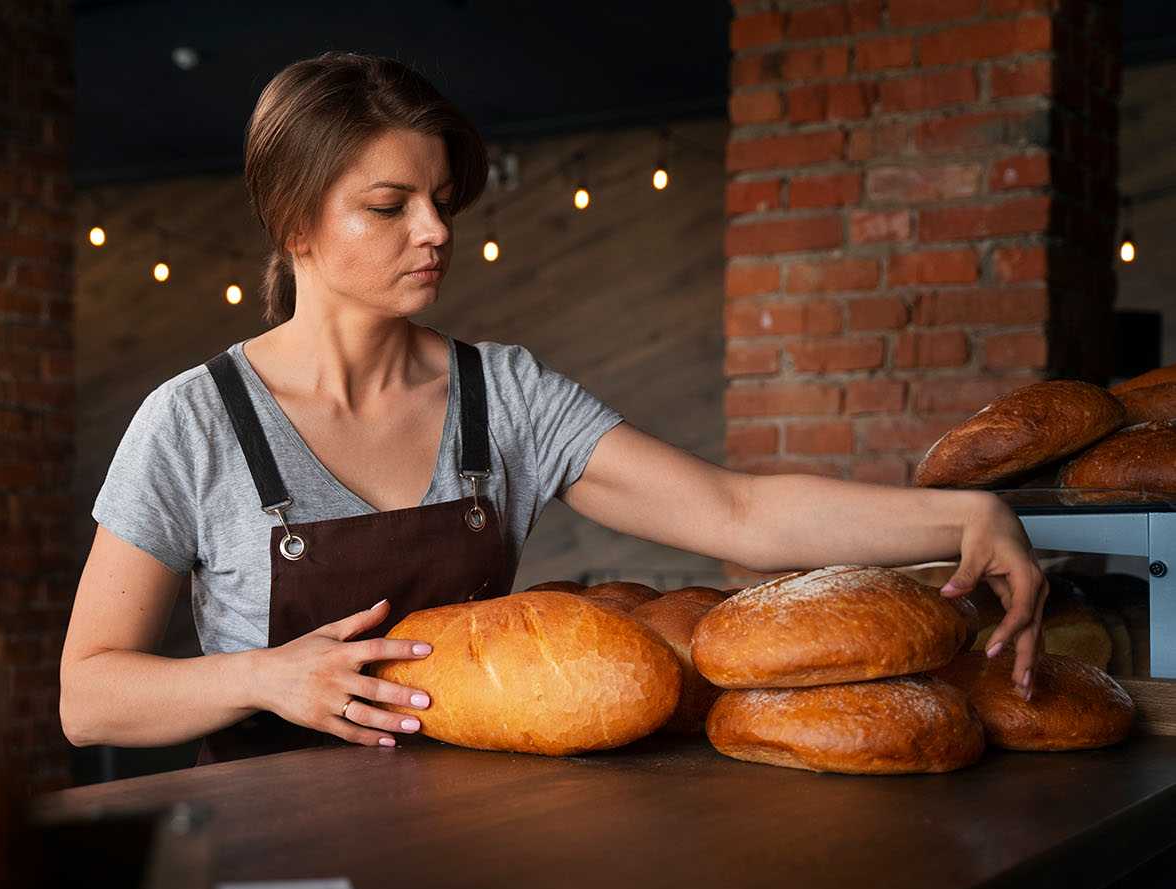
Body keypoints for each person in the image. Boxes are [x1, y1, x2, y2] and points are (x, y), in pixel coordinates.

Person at [59, 52, 1047, 765]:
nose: (434, 230)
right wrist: (260, 676)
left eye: (441, 197)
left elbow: (733, 512)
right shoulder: (192, 421)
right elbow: (87, 695)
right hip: (267, 853)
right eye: (389, 204)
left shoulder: (507, 397)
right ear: (293, 220)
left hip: (479, 828)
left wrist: (961, 514)